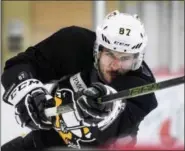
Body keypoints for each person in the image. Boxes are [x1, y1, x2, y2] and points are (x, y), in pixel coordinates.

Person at [1, 10, 158, 150]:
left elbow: (113, 129)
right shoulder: (74, 44)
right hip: (43, 144)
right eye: (110, 54)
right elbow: (18, 66)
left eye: (125, 58)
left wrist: (106, 107)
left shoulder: (142, 87)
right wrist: (29, 93)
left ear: (137, 59)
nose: (116, 65)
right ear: (98, 49)